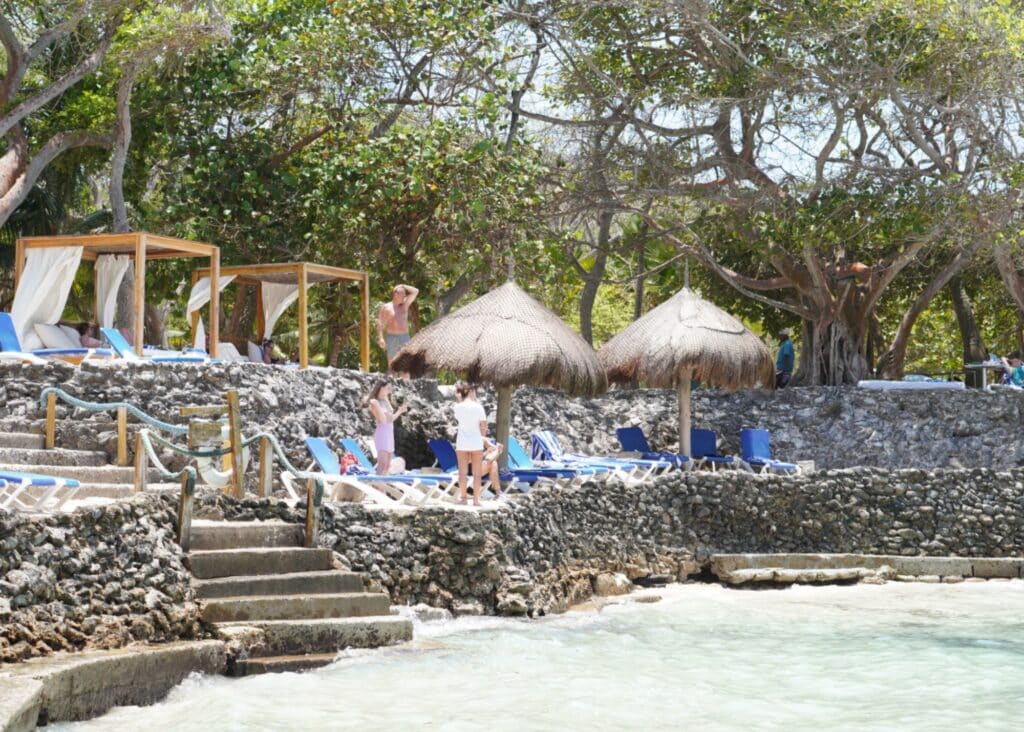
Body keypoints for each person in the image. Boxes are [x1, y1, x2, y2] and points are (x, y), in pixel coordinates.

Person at [452, 382, 489, 506]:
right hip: (476, 442)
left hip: (462, 442)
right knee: (477, 473)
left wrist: (459, 399)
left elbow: (458, 417)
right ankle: (476, 500)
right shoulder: (478, 407)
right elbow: (483, 425)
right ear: (471, 392)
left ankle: (463, 498)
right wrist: (482, 436)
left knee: (462, 472)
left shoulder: (457, 407)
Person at [363, 379, 409, 474]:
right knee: (382, 465)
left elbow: (390, 419)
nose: (389, 390)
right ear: (381, 388)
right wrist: (377, 405)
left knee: (387, 466)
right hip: (382, 435)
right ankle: (376, 486)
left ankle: (382, 487)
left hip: (389, 434)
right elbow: (383, 420)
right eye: (388, 388)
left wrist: (400, 411)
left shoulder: (385, 400)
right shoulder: (374, 403)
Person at [377, 284, 419, 365]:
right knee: (392, 363)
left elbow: (416, 291)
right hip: (392, 337)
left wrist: (402, 285)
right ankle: (392, 378)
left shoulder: (405, 304)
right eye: (402, 294)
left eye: (405, 295)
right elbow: (380, 323)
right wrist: (380, 338)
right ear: (396, 294)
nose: (404, 297)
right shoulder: (386, 307)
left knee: (406, 363)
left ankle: (405, 378)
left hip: (404, 337)